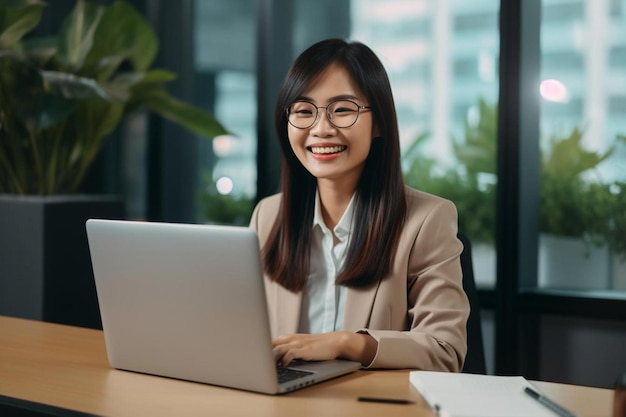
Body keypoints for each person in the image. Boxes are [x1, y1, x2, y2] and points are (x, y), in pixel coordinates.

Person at [249, 38, 469, 371]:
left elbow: (444, 351)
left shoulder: (426, 220)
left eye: (342, 110)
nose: (321, 129)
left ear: (378, 122)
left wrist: (347, 342)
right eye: (304, 111)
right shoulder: (268, 216)